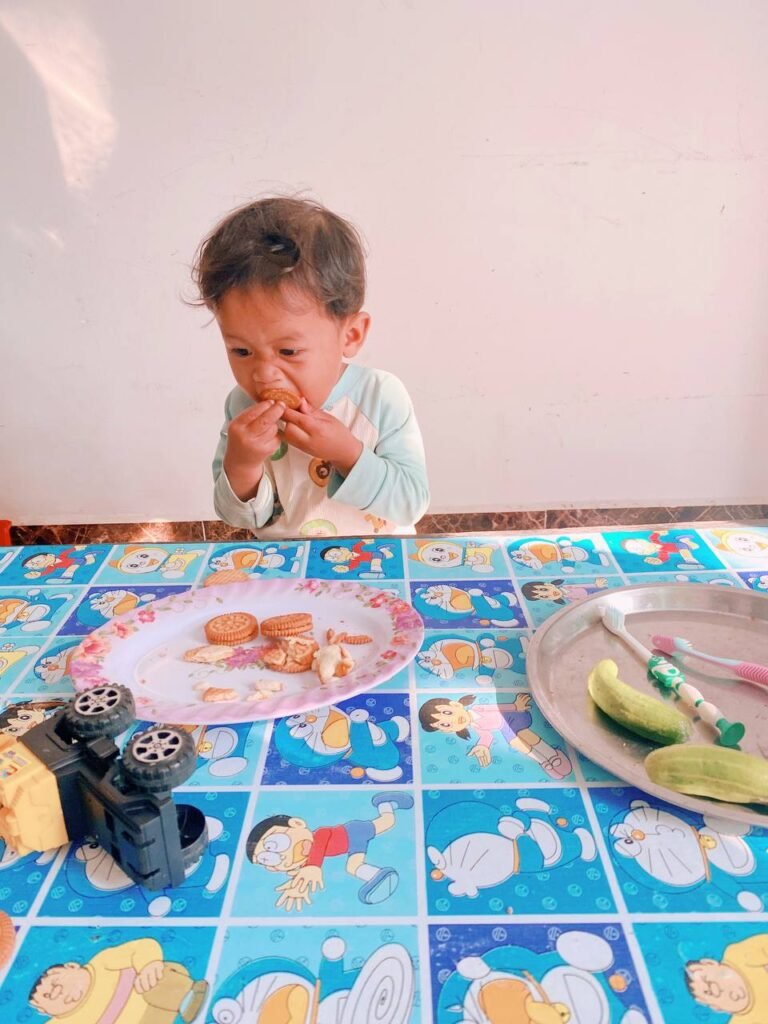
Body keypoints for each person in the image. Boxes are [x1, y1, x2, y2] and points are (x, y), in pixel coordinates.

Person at [193, 196, 429, 538]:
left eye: (288, 351)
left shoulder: (381, 397)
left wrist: (346, 453)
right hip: (286, 572)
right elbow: (240, 517)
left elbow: (411, 503)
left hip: (378, 566)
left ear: (350, 335)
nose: (263, 374)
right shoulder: (242, 405)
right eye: (241, 350)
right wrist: (242, 463)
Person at [27, 938, 208, 1023]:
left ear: (73, 966)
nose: (59, 993)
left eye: (57, 984)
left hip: (154, 1000)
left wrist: (148, 965)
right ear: (44, 1011)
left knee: (157, 978)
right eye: (50, 996)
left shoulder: (101, 963)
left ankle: (190, 997)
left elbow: (140, 947)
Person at [685, 934, 768, 1023]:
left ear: (710, 963)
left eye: (706, 978)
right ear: (716, 1008)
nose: (715, 988)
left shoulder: (738, 954)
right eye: (708, 993)